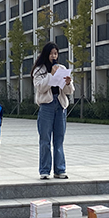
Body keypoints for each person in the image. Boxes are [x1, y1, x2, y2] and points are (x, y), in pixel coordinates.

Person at [31, 42, 74, 180]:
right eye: (51, 53)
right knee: (45, 139)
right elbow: (40, 88)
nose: (53, 56)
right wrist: (51, 75)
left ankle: (60, 170)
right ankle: (44, 170)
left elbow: (69, 91)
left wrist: (68, 83)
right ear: (46, 54)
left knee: (59, 139)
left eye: (55, 53)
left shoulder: (61, 68)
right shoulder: (39, 70)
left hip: (60, 105)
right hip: (46, 106)